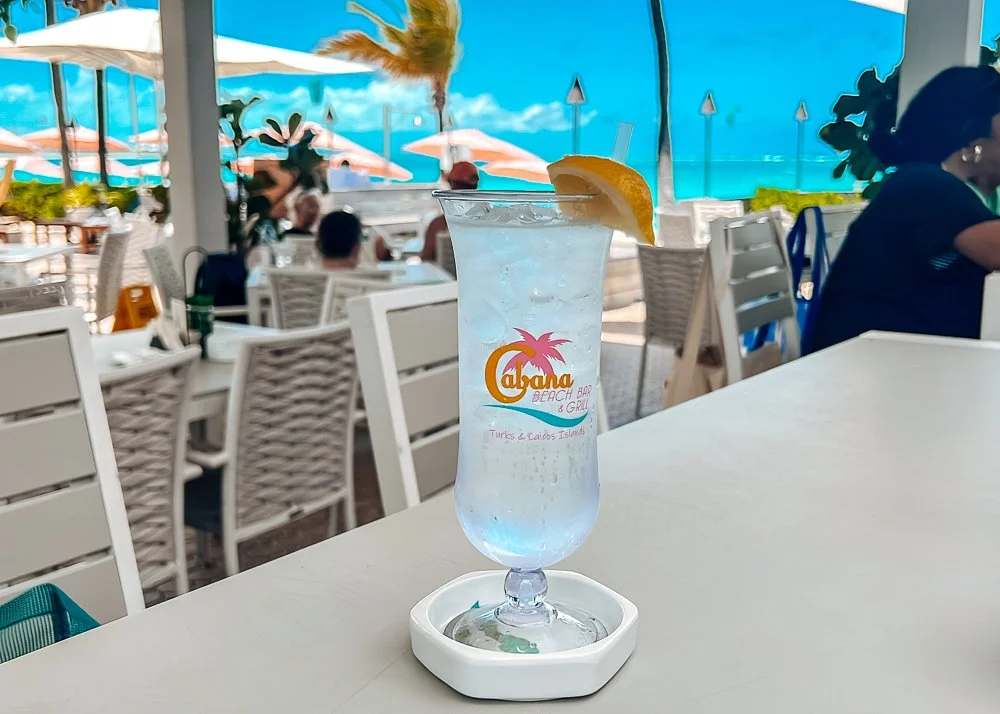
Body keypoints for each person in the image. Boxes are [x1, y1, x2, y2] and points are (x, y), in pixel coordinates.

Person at [808, 65, 1000, 352]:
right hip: (867, 374)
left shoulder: (931, 184)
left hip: (896, 363)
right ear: (975, 141)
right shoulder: (925, 187)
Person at [375, 161, 480, 262]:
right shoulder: (486, 220)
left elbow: (426, 259)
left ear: (452, 185)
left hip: (446, 278)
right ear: (476, 185)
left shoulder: (439, 225)